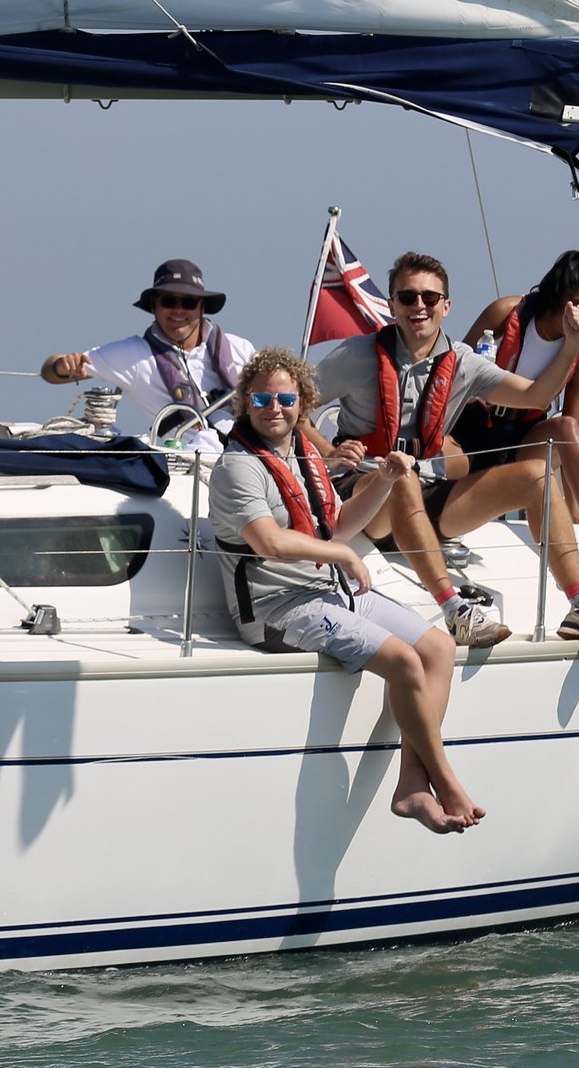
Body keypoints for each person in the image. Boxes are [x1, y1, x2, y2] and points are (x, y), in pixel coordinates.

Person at [210, 346, 481, 833]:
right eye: (261, 400)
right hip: (278, 609)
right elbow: (268, 542)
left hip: (329, 593)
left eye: (285, 399)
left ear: (303, 404)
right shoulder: (238, 468)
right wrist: (343, 555)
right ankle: (446, 780)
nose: (274, 408)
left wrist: (385, 479)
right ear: (244, 404)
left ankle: (410, 783)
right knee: (402, 660)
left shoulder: (303, 454)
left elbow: (336, 524)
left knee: (438, 647)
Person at [316, 251, 579, 651]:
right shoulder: (355, 356)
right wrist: (327, 449)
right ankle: (455, 611)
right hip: (363, 501)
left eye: (430, 299)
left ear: (447, 306)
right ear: (392, 304)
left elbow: (537, 394)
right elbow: (292, 406)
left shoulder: (464, 363)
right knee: (399, 476)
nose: (420, 306)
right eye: (408, 298)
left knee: (535, 477)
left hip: (429, 499)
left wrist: (574, 344)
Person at [453, 249, 579, 565]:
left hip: (520, 441)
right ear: (557, 294)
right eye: (578, 305)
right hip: (471, 427)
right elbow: (454, 371)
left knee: (567, 427)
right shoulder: (505, 313)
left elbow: (572, 436)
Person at [38, 258, 255, 454]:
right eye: (169, 301)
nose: (178, 310)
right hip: (195, 464)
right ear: (154, 306)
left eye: (189, 302)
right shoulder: (133, 356)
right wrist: (62, 365)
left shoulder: (240, 348)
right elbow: (49, 373)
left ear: (201, 308)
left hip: (254, 454)